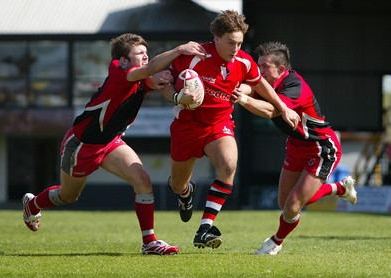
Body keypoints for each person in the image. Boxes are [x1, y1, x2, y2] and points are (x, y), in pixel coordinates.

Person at [22, 33, 206, 255]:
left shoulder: (140, 76)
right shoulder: (119, 69)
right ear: (124, 60)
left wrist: (179, 96)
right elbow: (149, 73)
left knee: (143, 180)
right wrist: (178, 49)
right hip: (82, 145)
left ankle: (149, 242)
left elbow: (155, 80)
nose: (146, 57)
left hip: (110, 142)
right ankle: (32, 205)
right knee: (67, 196)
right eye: (140, 54)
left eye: (147, 53)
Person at [154, 10, 300, 249]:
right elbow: (161, 81)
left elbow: (261, 84)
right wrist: (177, 97)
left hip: (218, 124)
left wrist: (283, 108)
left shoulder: (243, 61)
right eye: (231, 42)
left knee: (229, 165)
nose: (236, 48)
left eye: (240, 43)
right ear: (216, 38)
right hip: (187, 127)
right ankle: (185, 193)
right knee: (178, 184)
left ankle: (205, 228)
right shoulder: (193, 57)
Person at [231, 41, 358, 255]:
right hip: (296, 145)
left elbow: (271, 111)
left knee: (292, 206)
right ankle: (340, 189)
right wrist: (238, 89)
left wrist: (242, 98)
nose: (259, 72)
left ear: (281, 69)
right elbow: (250, 85)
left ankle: (275, 242)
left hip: (321, 148)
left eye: (264, 67)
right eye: (258, 66)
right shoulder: (267, 82)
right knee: (285, 202)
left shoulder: (295, 87)